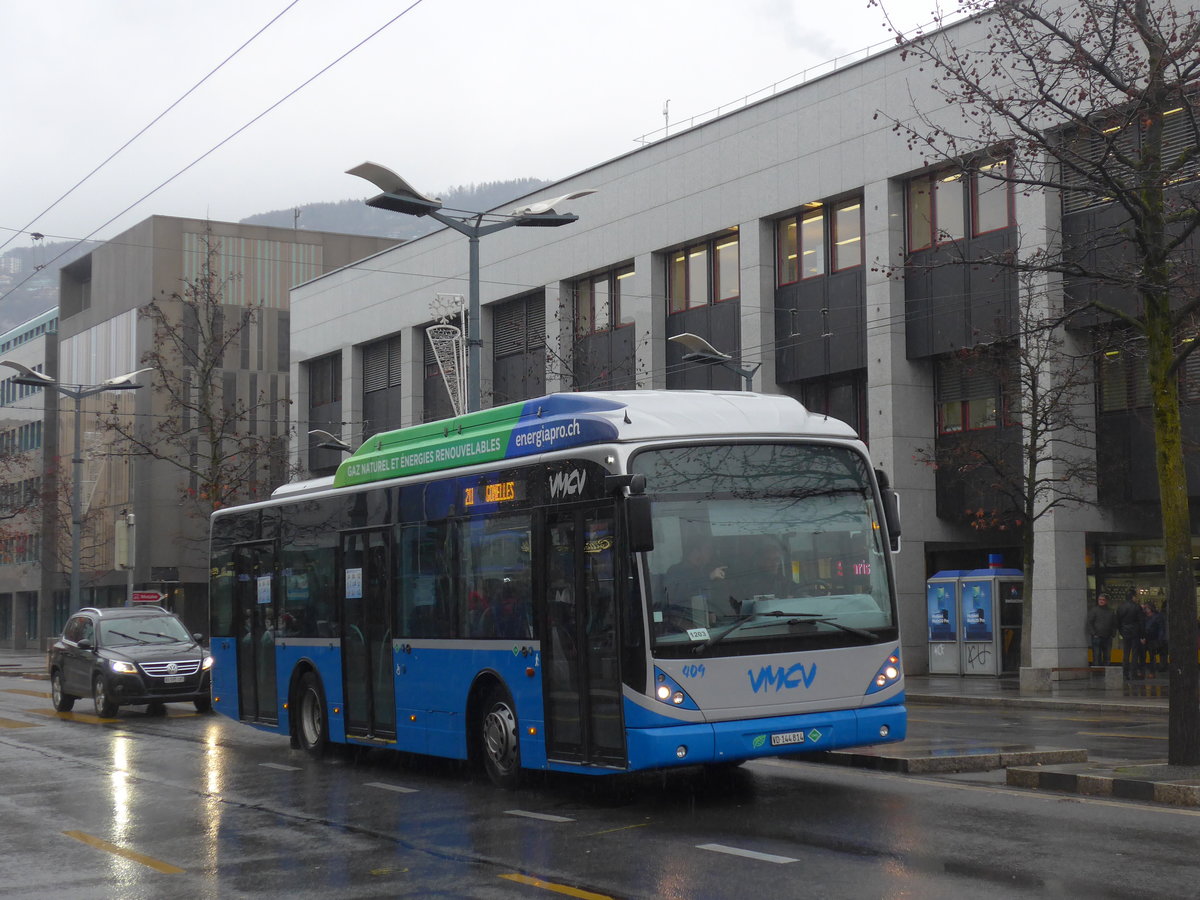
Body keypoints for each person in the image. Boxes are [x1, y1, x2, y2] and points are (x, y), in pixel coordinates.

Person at [664, 539, 730, 624]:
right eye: (708, 549)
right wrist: (709, 577)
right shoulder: (676, 571)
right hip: (682, 623)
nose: (711, 553)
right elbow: (680, 593)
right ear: (695, 552)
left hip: (703, 621)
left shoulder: (702, 570)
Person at [1115, 590, 1145, 681]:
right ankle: (1133, 673)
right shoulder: (1137, 607)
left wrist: (1121, 631)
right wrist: (1142, 635)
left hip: (1125, 632)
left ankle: (1125, 673)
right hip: (1135, 632)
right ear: (1133, 597)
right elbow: (1141, 622)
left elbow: (1118, 621)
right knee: (1135, 653)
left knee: (1126, 653)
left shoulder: (1120, 607)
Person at [1085, 593, 1117, 667]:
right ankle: (1096, 672)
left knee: (1107, 656)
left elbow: (1114, 624)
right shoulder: (1094, 610)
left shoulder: (1111, 611)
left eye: (1103, 600)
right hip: (1097, 636)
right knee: (1096, 656)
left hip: (1108, 636)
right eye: (1100, 599)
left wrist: (1113, 634)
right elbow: (1089, 622)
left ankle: (1106, 671)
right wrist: (1094, 633)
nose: (1101, 601)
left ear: (1107, 601)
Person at [1142, 602, 1166, 679]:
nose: (1146, 610)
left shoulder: (1157, 617)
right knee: (1143, 655)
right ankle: (1144, 671)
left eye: (1147, 608)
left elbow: (1160, 629)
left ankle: (1152, 672)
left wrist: (1160, 639)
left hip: (1153, 639)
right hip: (1146, 638)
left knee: (1152, 656)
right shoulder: (1145, 617)